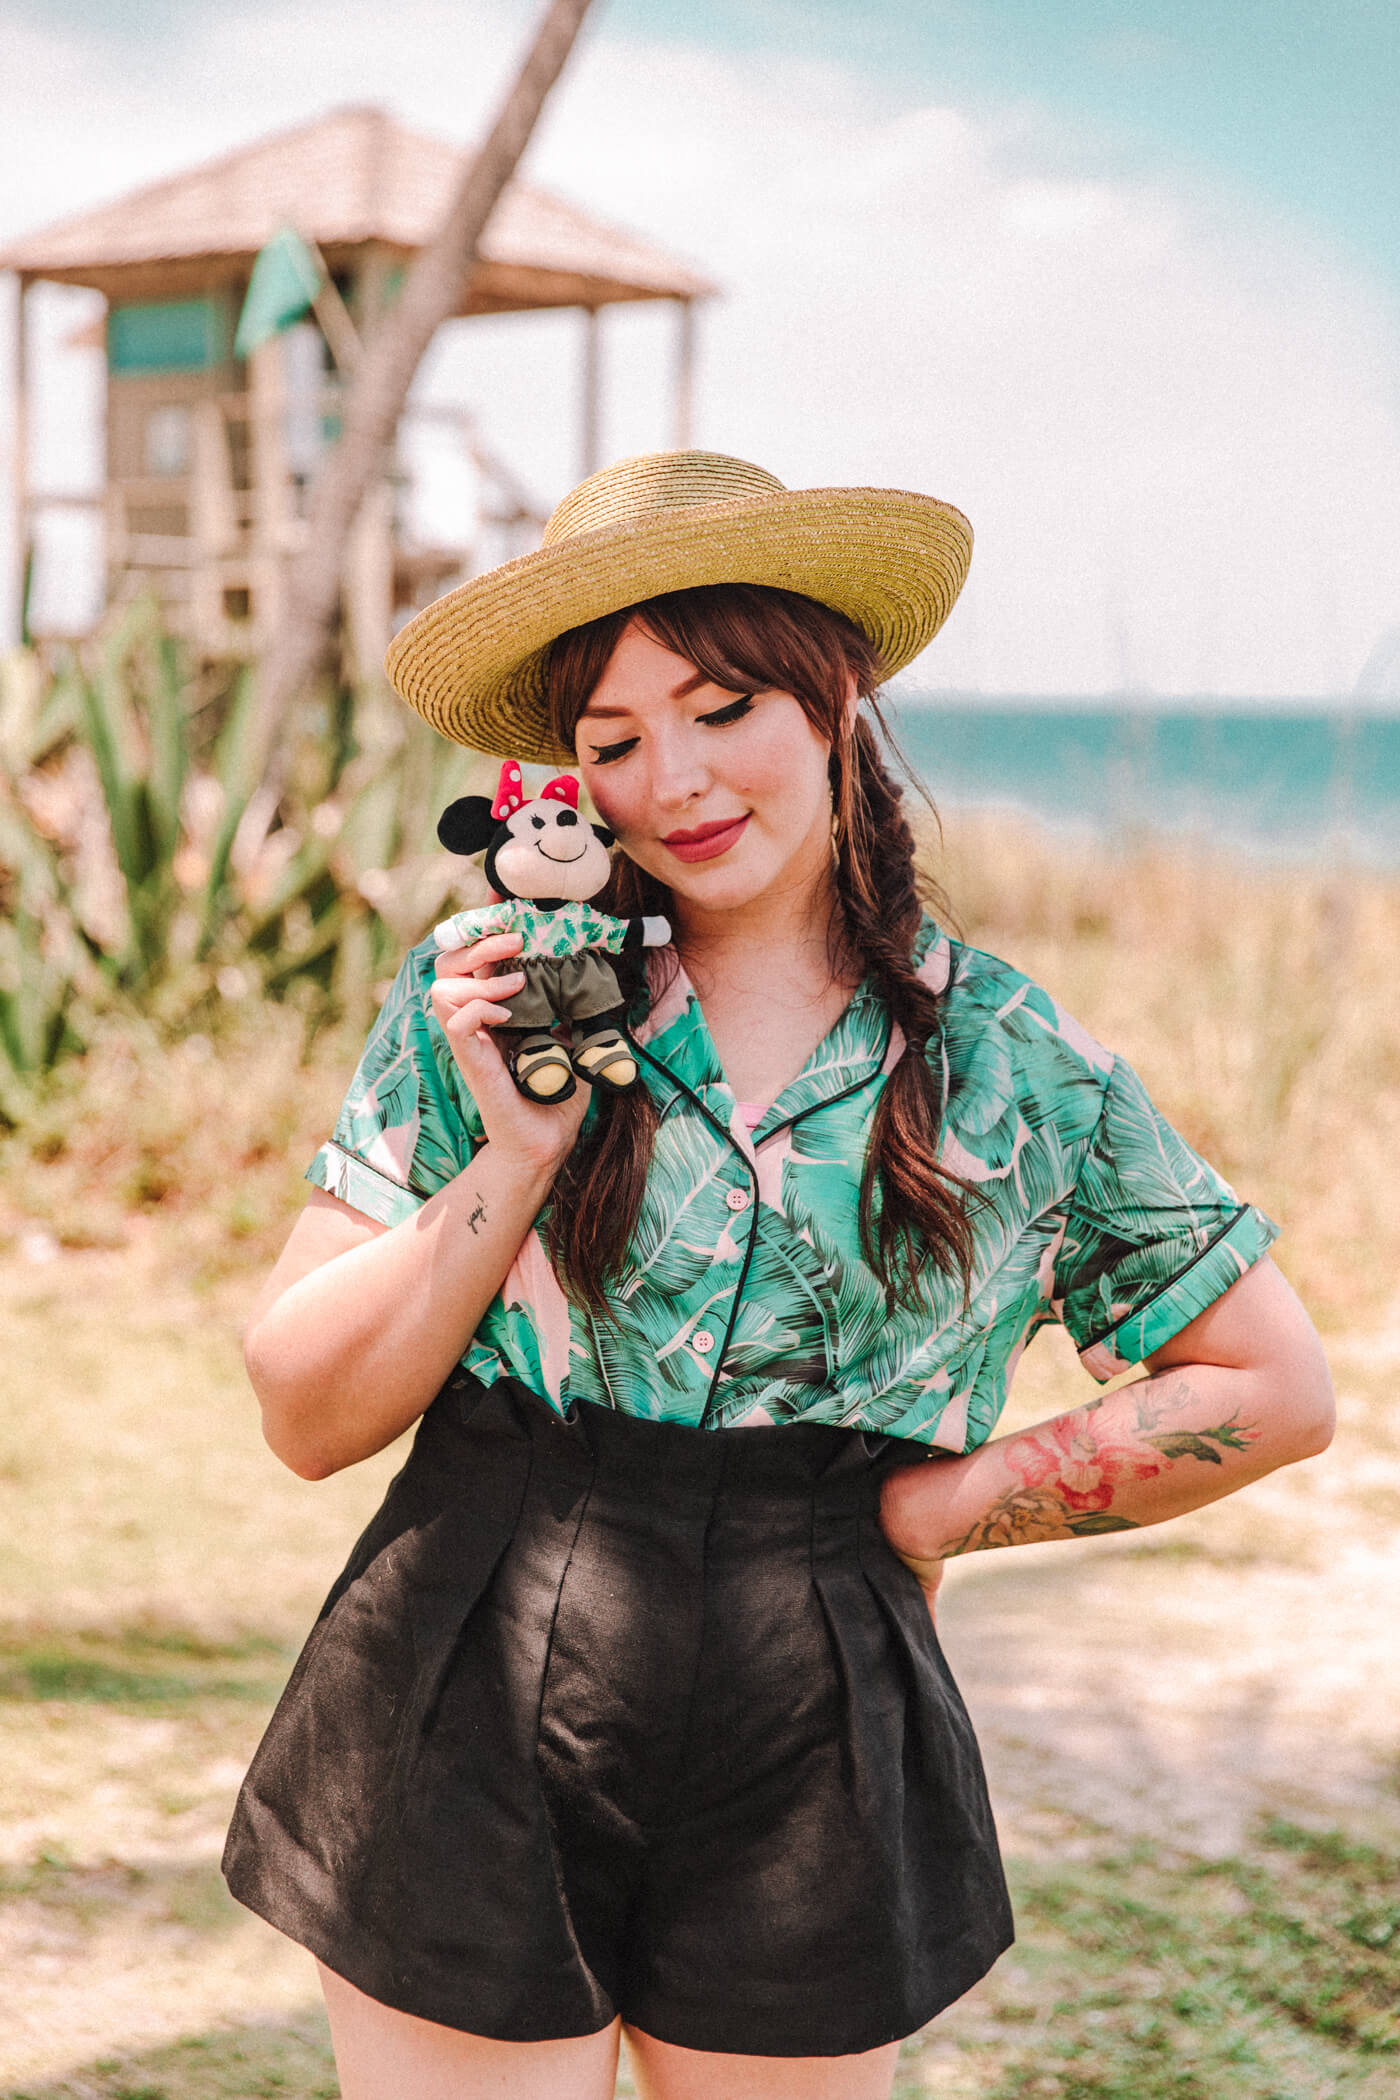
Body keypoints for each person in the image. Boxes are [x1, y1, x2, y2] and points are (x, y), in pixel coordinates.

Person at [223, 451, 1334, 2100]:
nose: (673, 777)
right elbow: (307, 1416)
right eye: (611, 742)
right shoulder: (479, 996)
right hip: (466, 1649)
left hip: (816, 1711)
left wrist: (934, 1513)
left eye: (724, 703)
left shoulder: (1014, 1063)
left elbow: (1275, 1389)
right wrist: (516, 1157)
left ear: (836, 700)